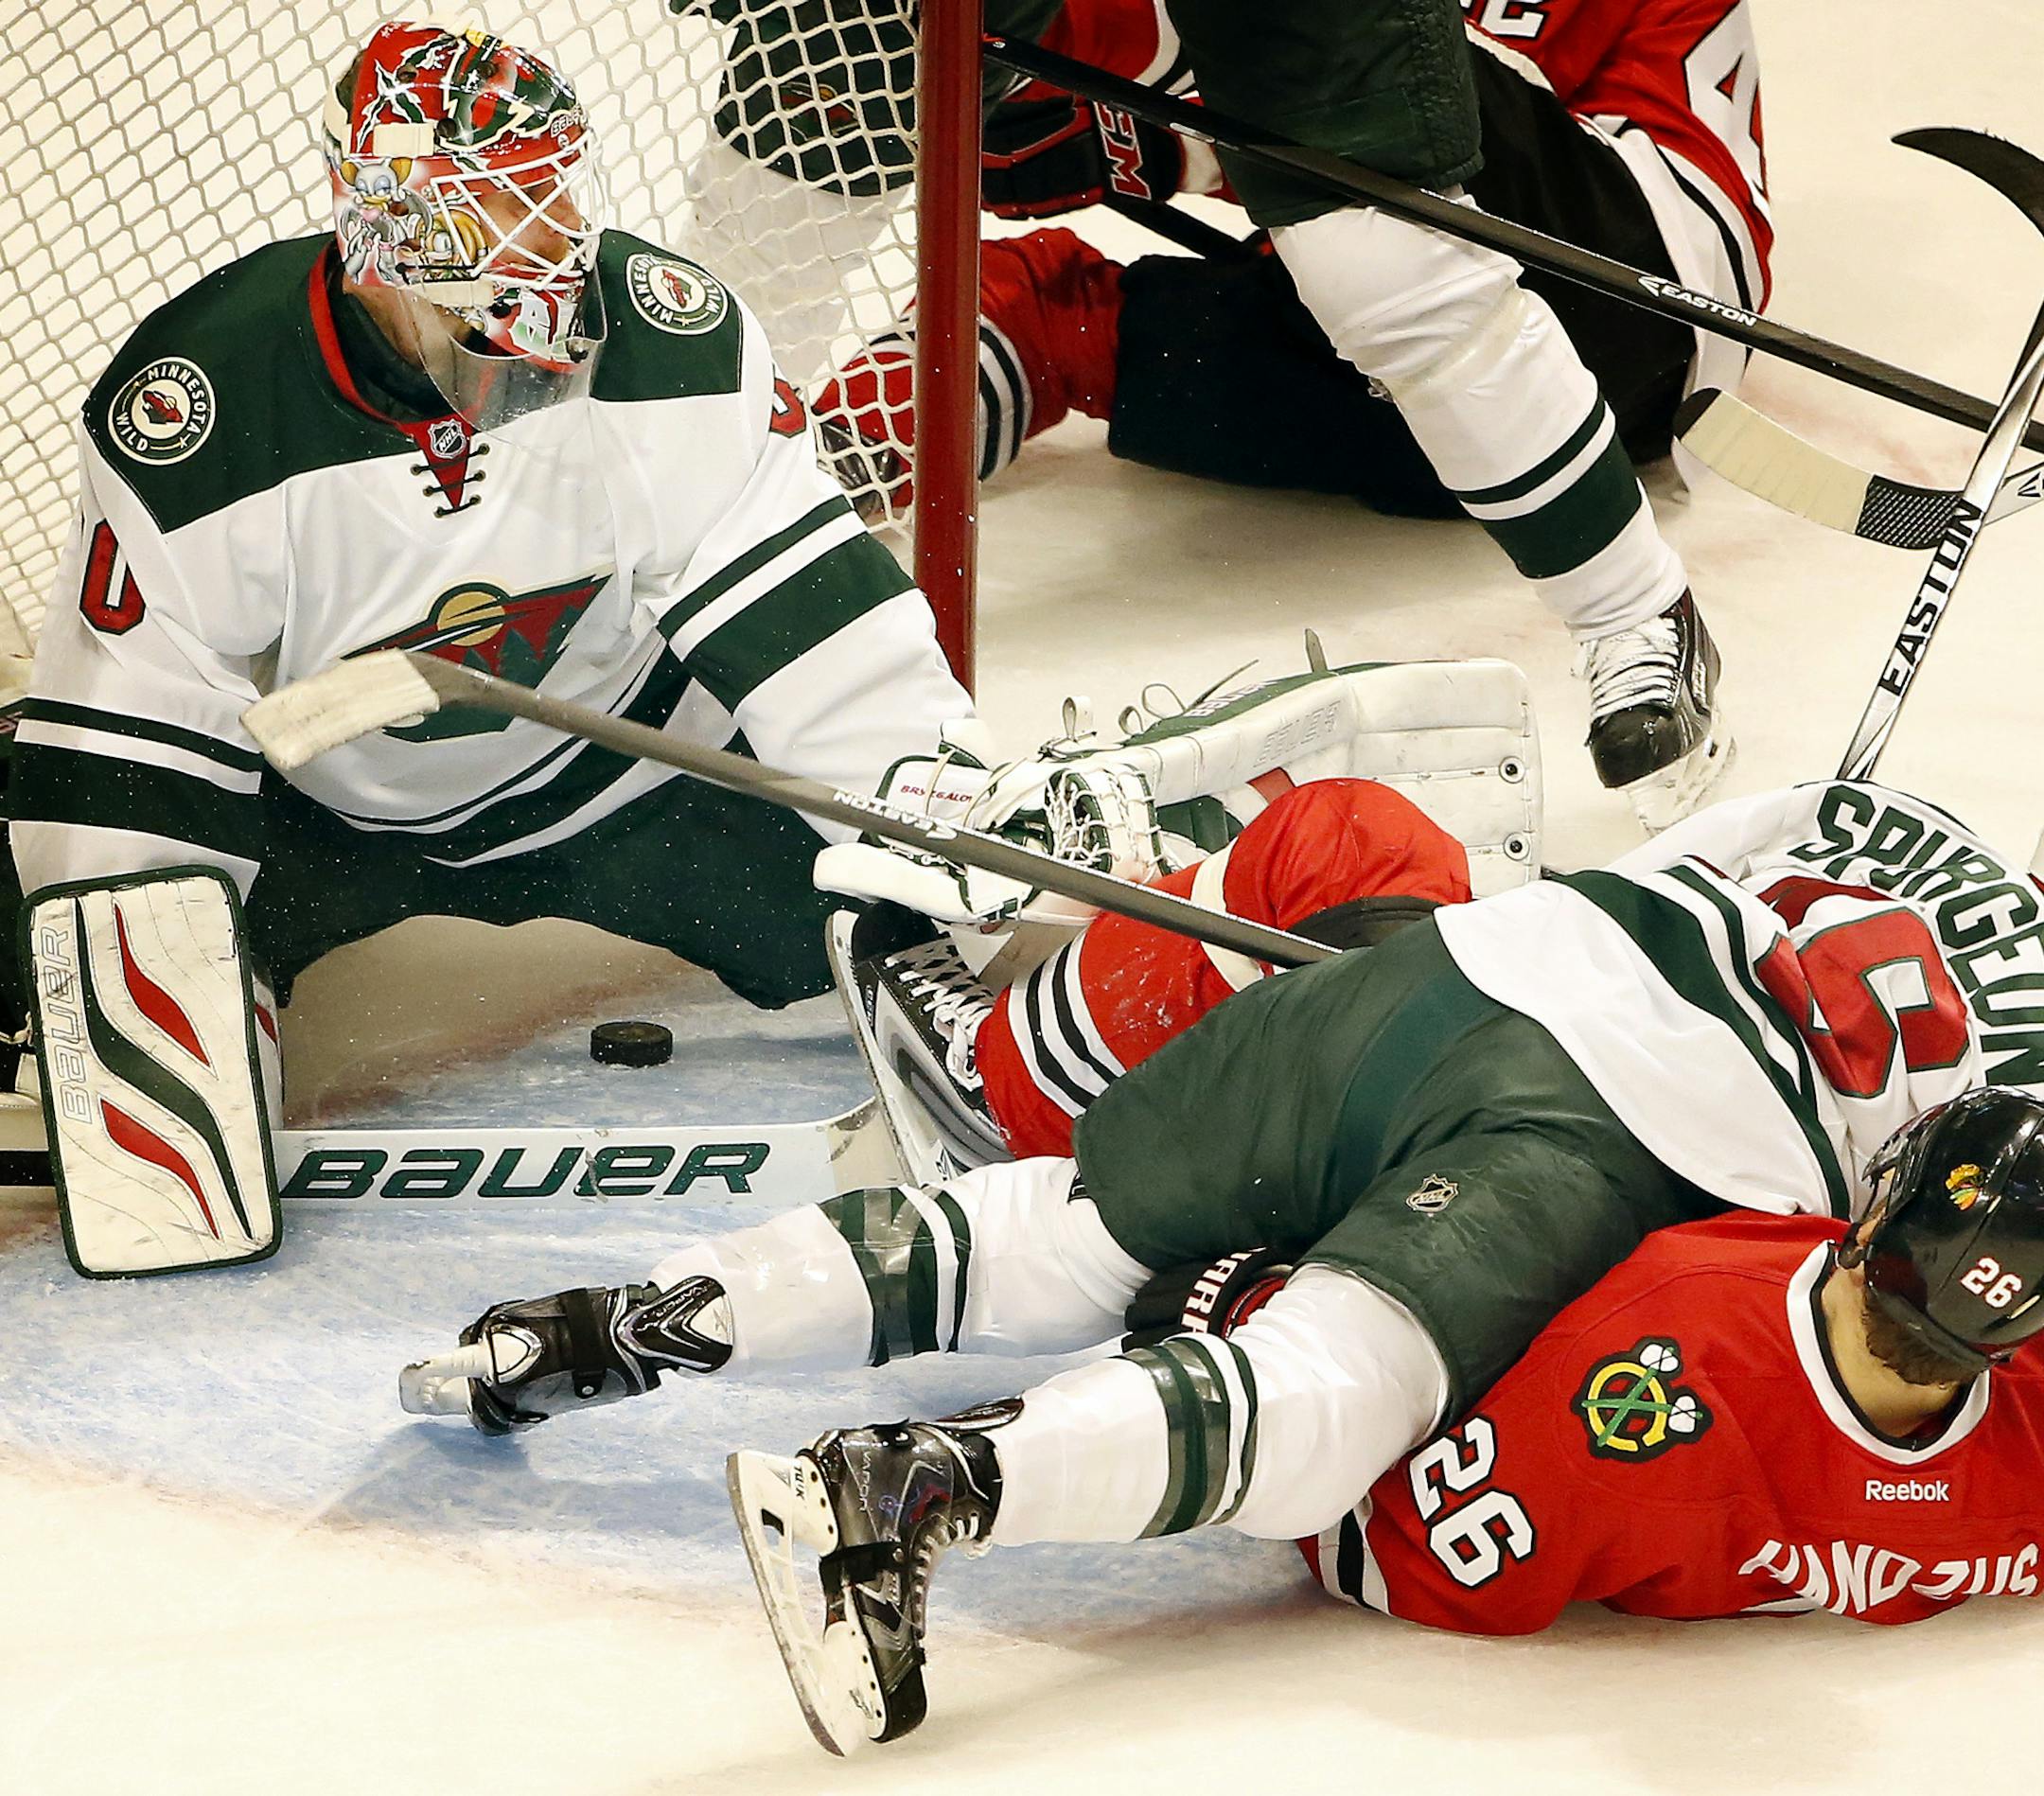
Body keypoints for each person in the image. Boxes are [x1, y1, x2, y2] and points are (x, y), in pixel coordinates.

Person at [399, 775, 2044, 1747]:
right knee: (1335, 1382)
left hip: (1471, 963)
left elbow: (1694, 840)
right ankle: (914, 1490)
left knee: (1062, 1231)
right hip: (1601, 1134)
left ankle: (597, 1325)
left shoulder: (1895, 840)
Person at [2, 20, 979, 1276]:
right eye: (504, 199)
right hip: (327, 818)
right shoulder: (204, 404)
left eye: (553, 183)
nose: (550, 227)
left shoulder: (664, 333)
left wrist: (929, 808)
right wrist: (139, 1007)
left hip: (635, 781)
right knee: (76, 945)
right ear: (389, 223)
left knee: (917, 907)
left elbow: (807, 618)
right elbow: (132, 727)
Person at [806, 0, 1765, 829]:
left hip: (1635, 302)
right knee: (1071, 324)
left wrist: (1161, 135)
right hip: (1404, 401)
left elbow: (1397, 106)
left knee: (1340, 99)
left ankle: (1636, 615)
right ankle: (808, 475)